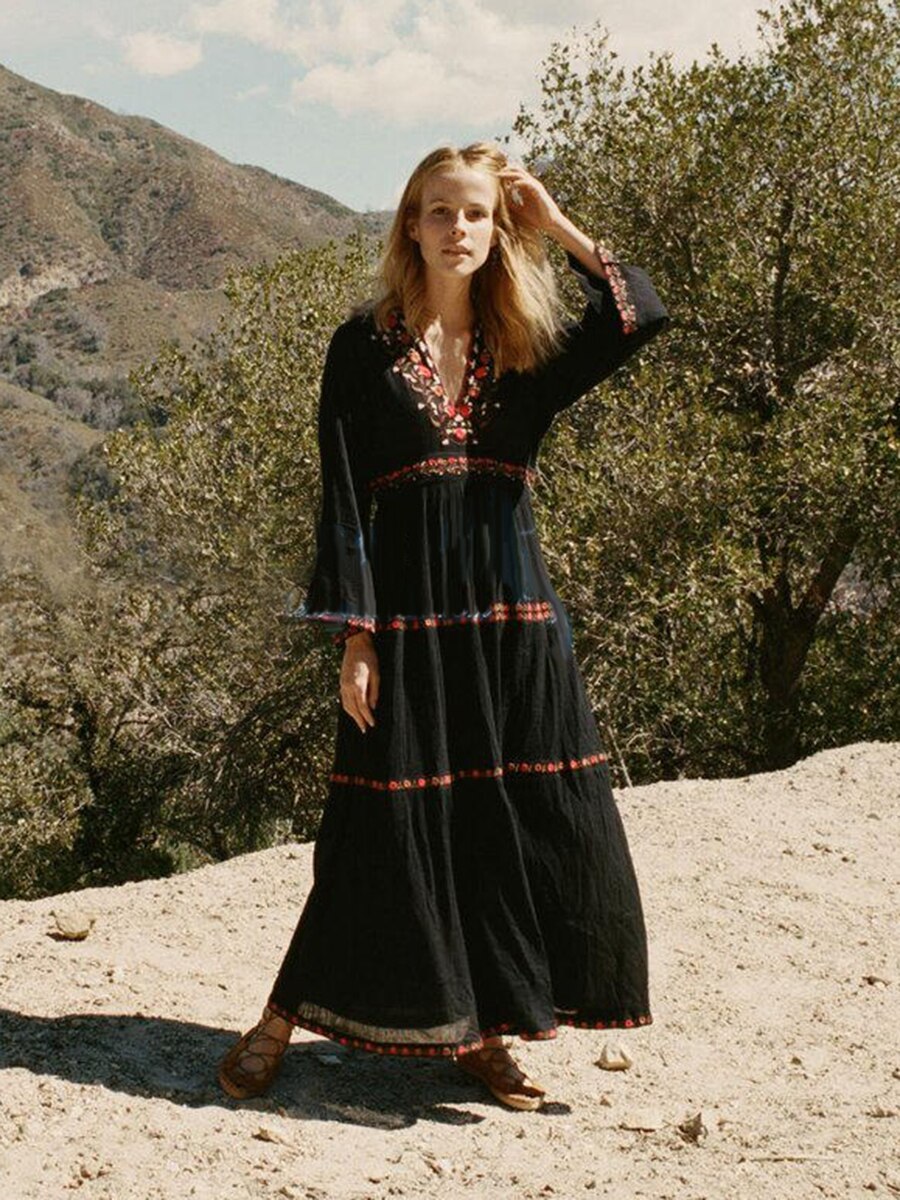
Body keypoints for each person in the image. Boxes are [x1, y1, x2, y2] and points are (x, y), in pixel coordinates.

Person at [217, 141, 671, 1111]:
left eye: (476, 213)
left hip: (514, 620)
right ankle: (278, 1019)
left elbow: (641, 311)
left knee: (512, 822)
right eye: (439, 211)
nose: (457, 228)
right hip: (411, 622)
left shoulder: (526, 348)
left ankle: (483, 1035)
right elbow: (344, 502)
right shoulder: (363, 348)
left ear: (497, 229)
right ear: (411, 227)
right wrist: (356, 636)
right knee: (375, 826)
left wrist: (555, 222)